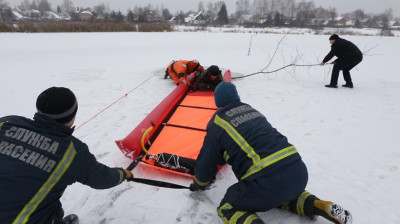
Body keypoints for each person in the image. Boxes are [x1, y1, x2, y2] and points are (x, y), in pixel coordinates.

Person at [189, 82, 353, 224]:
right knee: (284, 195)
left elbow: (206, 163)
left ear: (217, 102)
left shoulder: (218, 122)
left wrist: (198, 184)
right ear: (237, 97)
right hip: (298, 173)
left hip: (266, 181)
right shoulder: (252, 110)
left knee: (228, 206)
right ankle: (319, 205)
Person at [0, 87, 134, 224]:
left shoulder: (7, 122)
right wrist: (123, 174)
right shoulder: (72, 152)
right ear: (73, 116)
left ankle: (56, 215)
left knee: (48, 196)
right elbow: (101, 178)